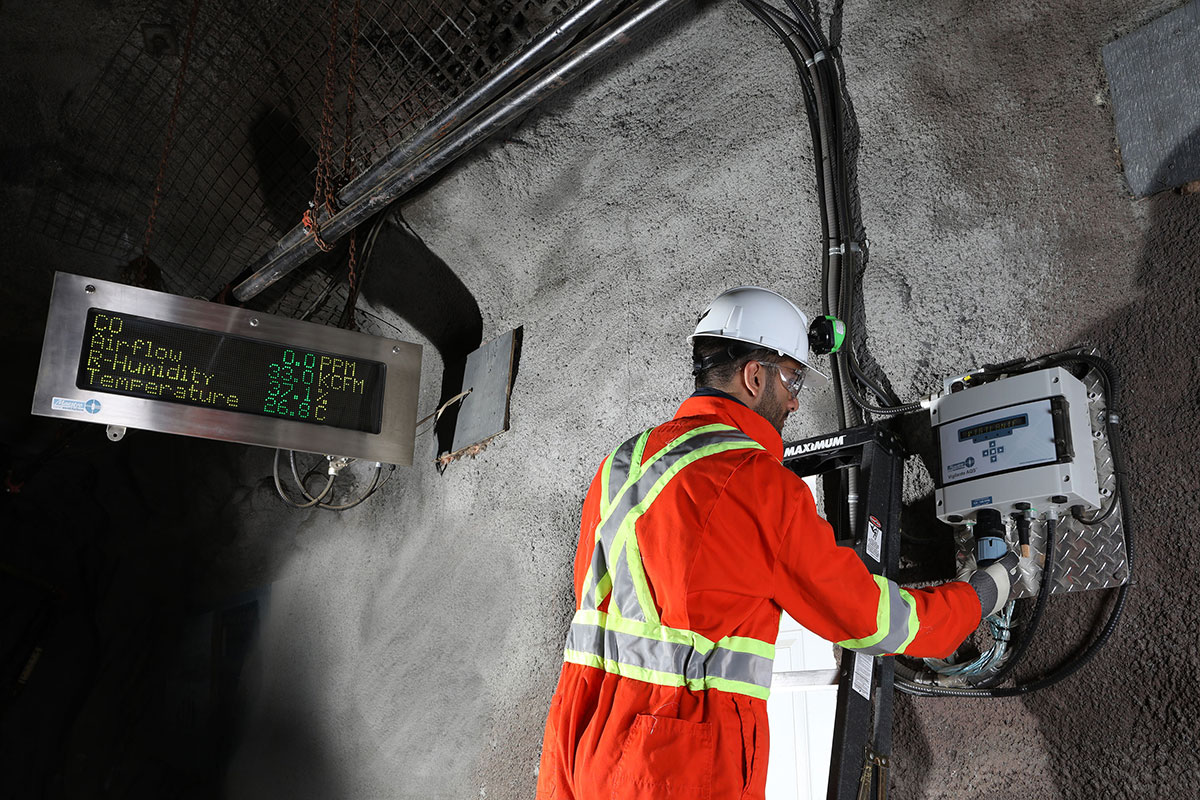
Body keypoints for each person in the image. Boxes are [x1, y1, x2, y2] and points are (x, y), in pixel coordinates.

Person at [535, 286, 1019, 799]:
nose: (792, 400)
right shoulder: (755, 483)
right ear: (754, 375)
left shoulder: (620, 464)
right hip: (671, 765)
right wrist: (980, 596)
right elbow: (872, 619)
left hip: (577, 743)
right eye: (792, 380)